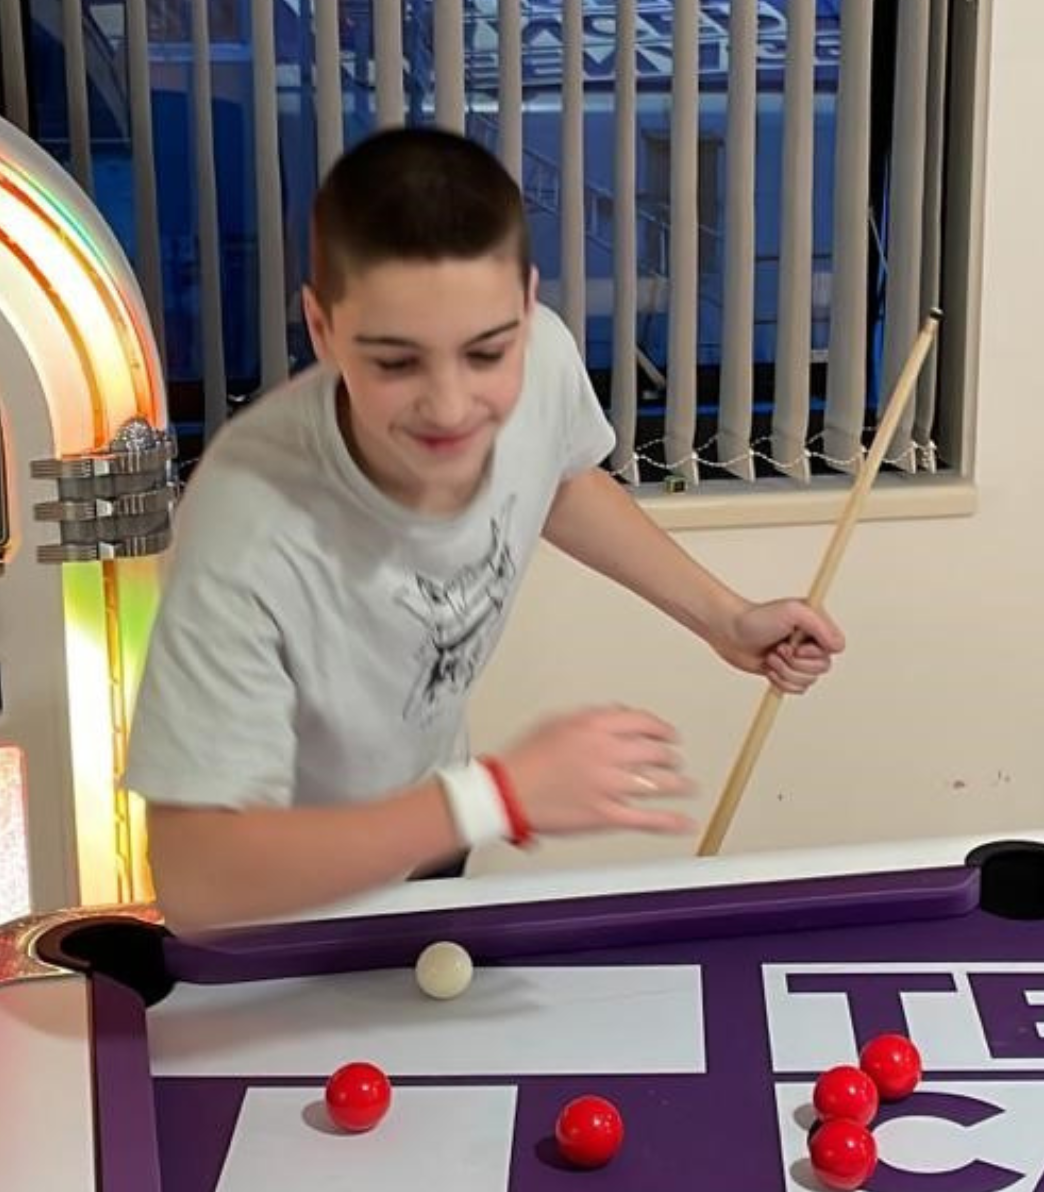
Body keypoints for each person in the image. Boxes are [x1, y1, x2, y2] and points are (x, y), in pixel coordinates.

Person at [123, 126, 843, 934]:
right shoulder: (246, 525)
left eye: (486, 353)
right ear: (321, 329)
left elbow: (560, 478)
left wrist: (724, 616)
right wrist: (496, 797)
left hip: (435, 845)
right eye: (397, 362)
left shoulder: (542, 361)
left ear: (527, 304)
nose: (452, 406)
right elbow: (197, 878)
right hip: (277, 906)